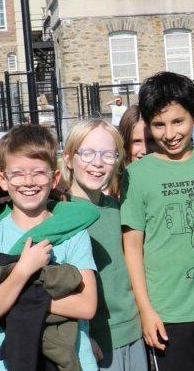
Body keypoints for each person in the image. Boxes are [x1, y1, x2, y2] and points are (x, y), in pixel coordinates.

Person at [121, 72, 194, 370]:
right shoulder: (136, 175)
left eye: (178, 121)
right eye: (159, 125)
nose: (170, 133)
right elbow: (133, 248)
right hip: (169, 315)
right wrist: (146, 310)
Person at [0, 124, 100, 371]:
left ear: (55, 178)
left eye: (39, 172)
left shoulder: (74, 233)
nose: (28, 182)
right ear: (2, 180)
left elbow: (86, 306)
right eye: (17, 173)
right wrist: (22, 271)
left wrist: (11, 292)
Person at [60, 119, 147, 370]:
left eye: (108, 155)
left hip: (133, 332)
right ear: (68, 158)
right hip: (93, 340)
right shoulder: (60, 214)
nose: (98, 163)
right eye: (87, 153)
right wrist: (81, 335)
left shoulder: (116, 209)